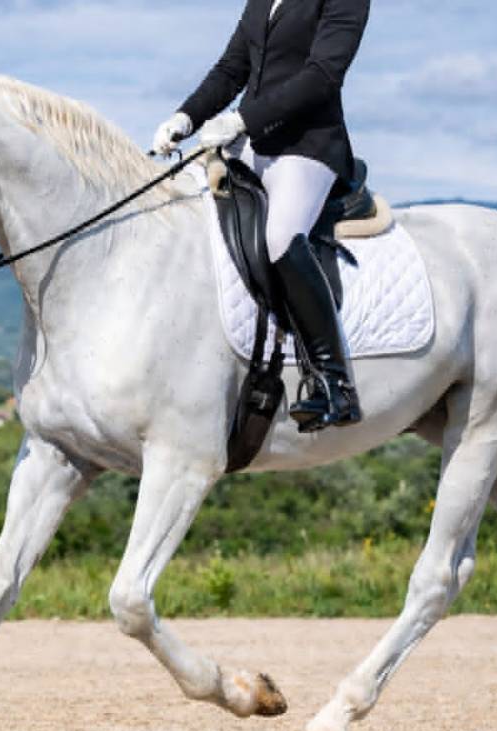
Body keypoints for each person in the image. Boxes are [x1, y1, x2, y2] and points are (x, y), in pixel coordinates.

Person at [153, 0, 370, 430]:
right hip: (248, 143)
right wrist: (186, 117)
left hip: (306, 145)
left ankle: (335, 382)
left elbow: (322, 76)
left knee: (281, 237)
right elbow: (232, 68)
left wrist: (242, 119)